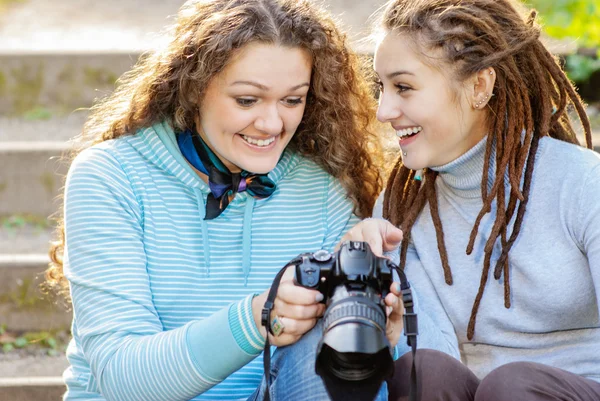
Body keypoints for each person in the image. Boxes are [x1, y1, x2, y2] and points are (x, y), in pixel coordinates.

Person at [44, 0, 408, 400]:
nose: (272, 124)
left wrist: (383, 329)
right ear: (194, 87)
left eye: (292, 100)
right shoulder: (112, 176)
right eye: (247, 100)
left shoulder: (321, 189)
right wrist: (258, 318)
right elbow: (123, 378)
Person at [343, 0, 600, 400]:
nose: (383, 111)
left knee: (511, 387)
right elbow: (432, 356)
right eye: (382, 88)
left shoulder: (584, 184)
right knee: (419, 370)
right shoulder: (399, 215)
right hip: (472, 392)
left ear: (480, 86)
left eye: (404, 87)